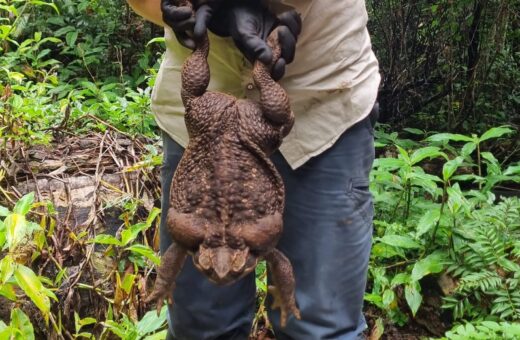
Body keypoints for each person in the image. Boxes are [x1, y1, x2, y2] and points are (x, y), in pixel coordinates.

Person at [127, 0, 380, 339]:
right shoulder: (203, 238)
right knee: (199, 327)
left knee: (320, 327)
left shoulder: (253, 240)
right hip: (202, 120)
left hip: (320, 98)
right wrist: (188, 13)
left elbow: (274, 254)